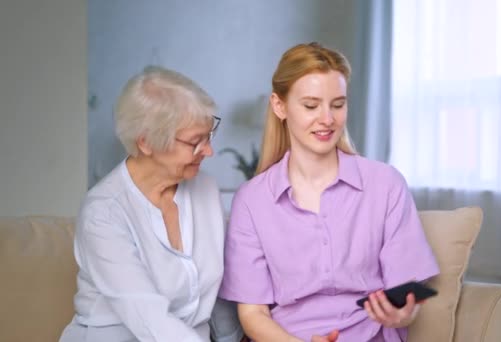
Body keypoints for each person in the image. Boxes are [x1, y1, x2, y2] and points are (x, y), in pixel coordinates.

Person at [219, 42, 439, 342]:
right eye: (311, 105)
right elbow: (253, 314)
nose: (327, 119)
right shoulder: (252, 200)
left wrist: (404, 313)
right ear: (279, 106)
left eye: (337, 104)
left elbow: (406, 290)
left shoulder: (385, 183)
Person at [59, 66, 243, 342]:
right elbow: (148, 318)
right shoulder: (103, 212)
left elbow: (217, 293)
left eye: (209, 135)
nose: (208, 151)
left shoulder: (205, 189)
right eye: (195, 141)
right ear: (146, 142)